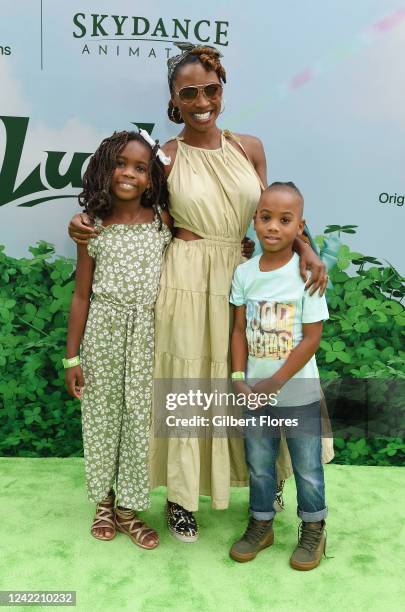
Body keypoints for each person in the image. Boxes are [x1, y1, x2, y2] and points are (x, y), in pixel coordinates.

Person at [68, 43, 331, 543]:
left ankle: (267, 485)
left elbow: (276, 210)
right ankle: (182, 497)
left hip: (243, 276)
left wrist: (306, 247)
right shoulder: (162, 156)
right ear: (174, 99)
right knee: (188, 382)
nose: (201, 100)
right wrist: (82, 220)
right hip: (185, 281)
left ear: (222, 91)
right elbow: (125, 207)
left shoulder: (248, 147)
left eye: (210, 89)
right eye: (188, 92)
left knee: (250, 374)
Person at [64, 130, 172, 549]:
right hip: (104, 334)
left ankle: (129, 508)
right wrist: (72, 358)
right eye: (120, 163)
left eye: (140, 167)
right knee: (102, 417)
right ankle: (104, 502)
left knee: (140, 422)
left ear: (151, 178)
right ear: (104, 169)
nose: (128, 173)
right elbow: (81, 294)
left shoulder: (163, 221)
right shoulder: (92, 226)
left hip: (148, 333)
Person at [229, 182, 328, 570]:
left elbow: (313, 338)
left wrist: (278, 381)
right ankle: (261, 523)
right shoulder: (244, 273)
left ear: (299, 227)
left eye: (284, 220)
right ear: (255, 220)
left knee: (307, 467)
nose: (273, 227)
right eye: (265, 217)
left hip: (297, 394)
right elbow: (238, 330)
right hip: (255, 392)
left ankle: (314, 528)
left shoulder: (307, 273)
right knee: (259, 462)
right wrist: (240, 376)